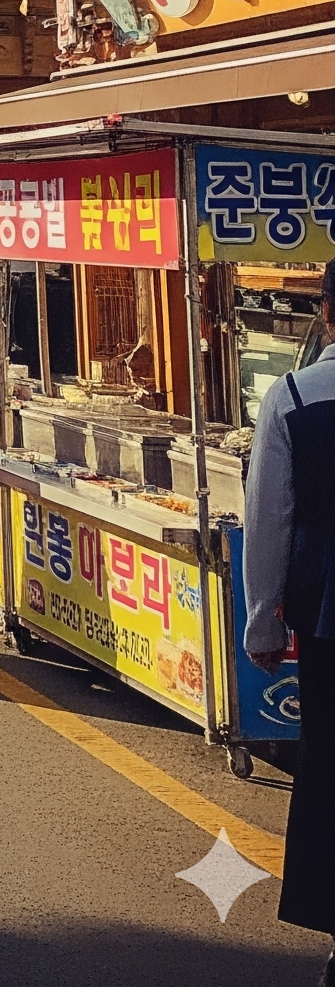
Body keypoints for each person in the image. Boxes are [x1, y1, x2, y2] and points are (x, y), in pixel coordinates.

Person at [243, 259, 335, 963]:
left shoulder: (296, 396)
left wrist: (264, 620)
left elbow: (270, 516)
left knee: (329, 766)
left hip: (326, 613)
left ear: (327, 314)